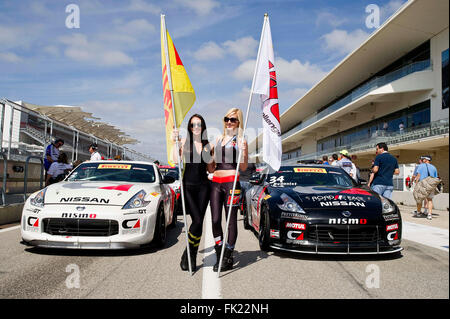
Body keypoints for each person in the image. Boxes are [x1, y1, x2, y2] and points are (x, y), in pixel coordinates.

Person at [209, 108, 248, 272]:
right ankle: (220, 250)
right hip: (216, 181)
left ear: (238, 122)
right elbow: (210, 168)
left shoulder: (241, 140)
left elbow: (244, 167)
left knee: (230, 221)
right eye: (227, 119)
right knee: (215, 220)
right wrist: (208, 155)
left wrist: (244, 151)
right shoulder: (217, 139)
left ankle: (228, 254)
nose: (229, 122)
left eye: (233, 120)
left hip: (232, 182)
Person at [173, 114, 212, 272]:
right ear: (189, 127)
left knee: (199, 223)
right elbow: (176, 160)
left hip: (204, 187)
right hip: (188, 186)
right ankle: (190, 253)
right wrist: (173, 143)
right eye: (193, 124)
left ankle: (190, 254)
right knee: (196, 221)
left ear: (203, 127)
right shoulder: (184, 142)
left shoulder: (207, 145)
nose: (196, 127)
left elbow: (210, 169)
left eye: (199, 124)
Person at [413, 155, 438, 220]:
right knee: (430, 200)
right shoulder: (434, 167)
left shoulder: (421, 166)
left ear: (426, 160)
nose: (422, 160)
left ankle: (418, 212)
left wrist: (416, 184)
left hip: (422, 185)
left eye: (423, 159)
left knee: (419, 200)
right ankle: (429, 214)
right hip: (430, 185)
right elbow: (435, 177)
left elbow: (418, 175)